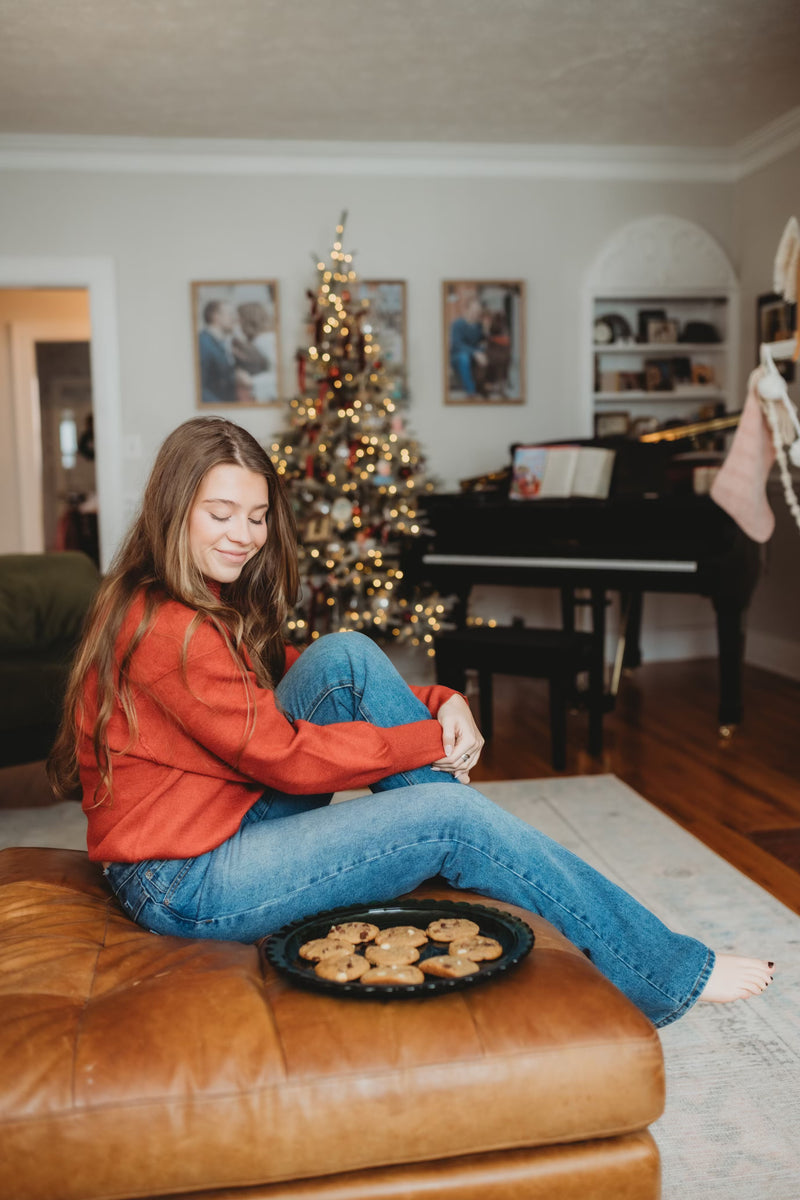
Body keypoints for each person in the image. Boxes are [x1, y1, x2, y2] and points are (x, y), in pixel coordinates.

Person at [48, 417, 774, 1028]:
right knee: (450, 818)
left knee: (345, 657)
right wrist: (431, 743)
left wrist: (437, 701)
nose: (245, 535)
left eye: (258, 516)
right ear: (175, 509)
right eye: (221, 513)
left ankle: (474, 840)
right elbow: (284, 758)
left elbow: (277, 675)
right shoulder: (165, 630)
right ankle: (662, 970)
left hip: (214, 825)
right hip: (184, 884)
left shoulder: (185, 597)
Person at [198, 300, 252, 405]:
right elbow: (201, 387)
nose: (235, 319)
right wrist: (222, 408)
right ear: (216, 316)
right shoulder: (203, 343)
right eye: (230, 314)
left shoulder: (222, 343)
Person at [449, 297, 488, 397]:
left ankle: (487, 387)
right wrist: (475, 352)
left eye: (478, 311)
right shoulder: (457, 324)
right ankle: (471, 392)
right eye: (473, 310)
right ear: (466, 310)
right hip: (457, 357)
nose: (476, 314)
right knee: (464, 358)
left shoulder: (479, 326)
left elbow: (482, 344)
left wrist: (486, 330)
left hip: (473, 356)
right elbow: (457, 344)